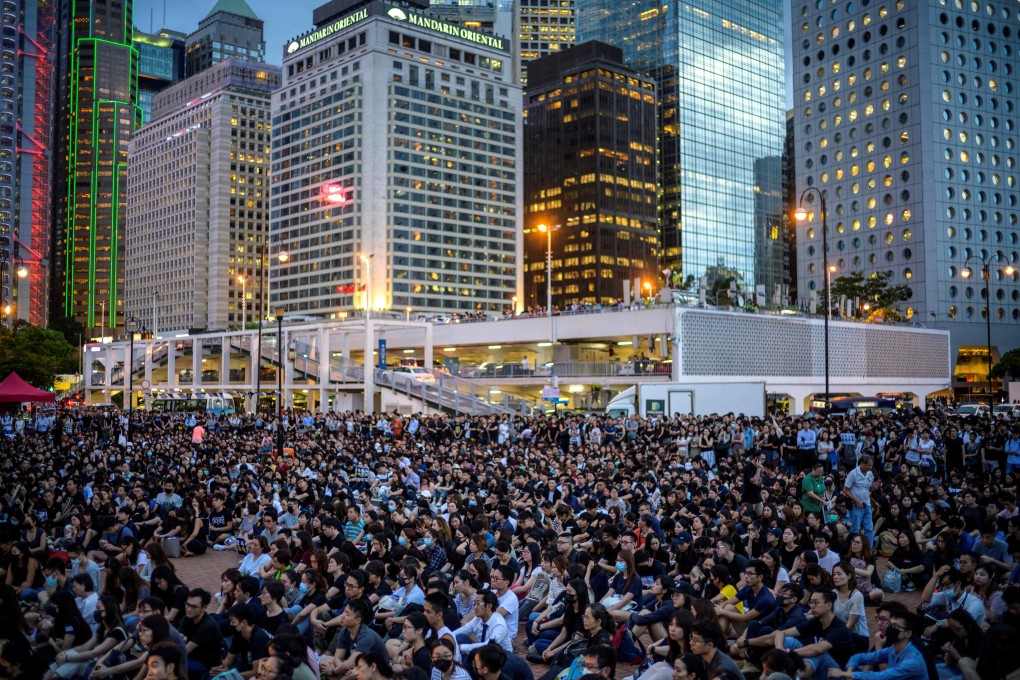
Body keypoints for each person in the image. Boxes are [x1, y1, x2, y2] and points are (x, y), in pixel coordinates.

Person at [769, 590, 853, 680]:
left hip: (838, 674)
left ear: (828, 605)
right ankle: (771, 675)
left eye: (815, 603)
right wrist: (780, 651)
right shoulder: (815, 622)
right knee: (787, 641)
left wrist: (789, 653)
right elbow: (781, 633)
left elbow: (818, 649)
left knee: (818, 654)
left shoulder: (839, 628)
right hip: (816, 670)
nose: (811, 606)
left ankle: (793, 677)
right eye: (811, 602)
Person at [827, 610, 927, 679]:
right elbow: (861, 657)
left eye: (895, 626)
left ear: (908, 633)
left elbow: (881, 677)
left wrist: (847, 674)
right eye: (890, 624)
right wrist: (850, 670)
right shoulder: (893, 649)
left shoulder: (913, 661)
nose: (890, 628)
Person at [842, 455, 876, 545]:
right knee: (855, 528)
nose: (870, 467)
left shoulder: (870, 473)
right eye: (868, 465)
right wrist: (856, 500)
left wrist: (874, 487)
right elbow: (845, 490)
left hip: (867, 503)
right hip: (856, 504)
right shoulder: (853, 473)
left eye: (871, 465)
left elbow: (870, 488)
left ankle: (869, 550)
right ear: (861, 464)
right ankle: (853, 548)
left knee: (869, 528)